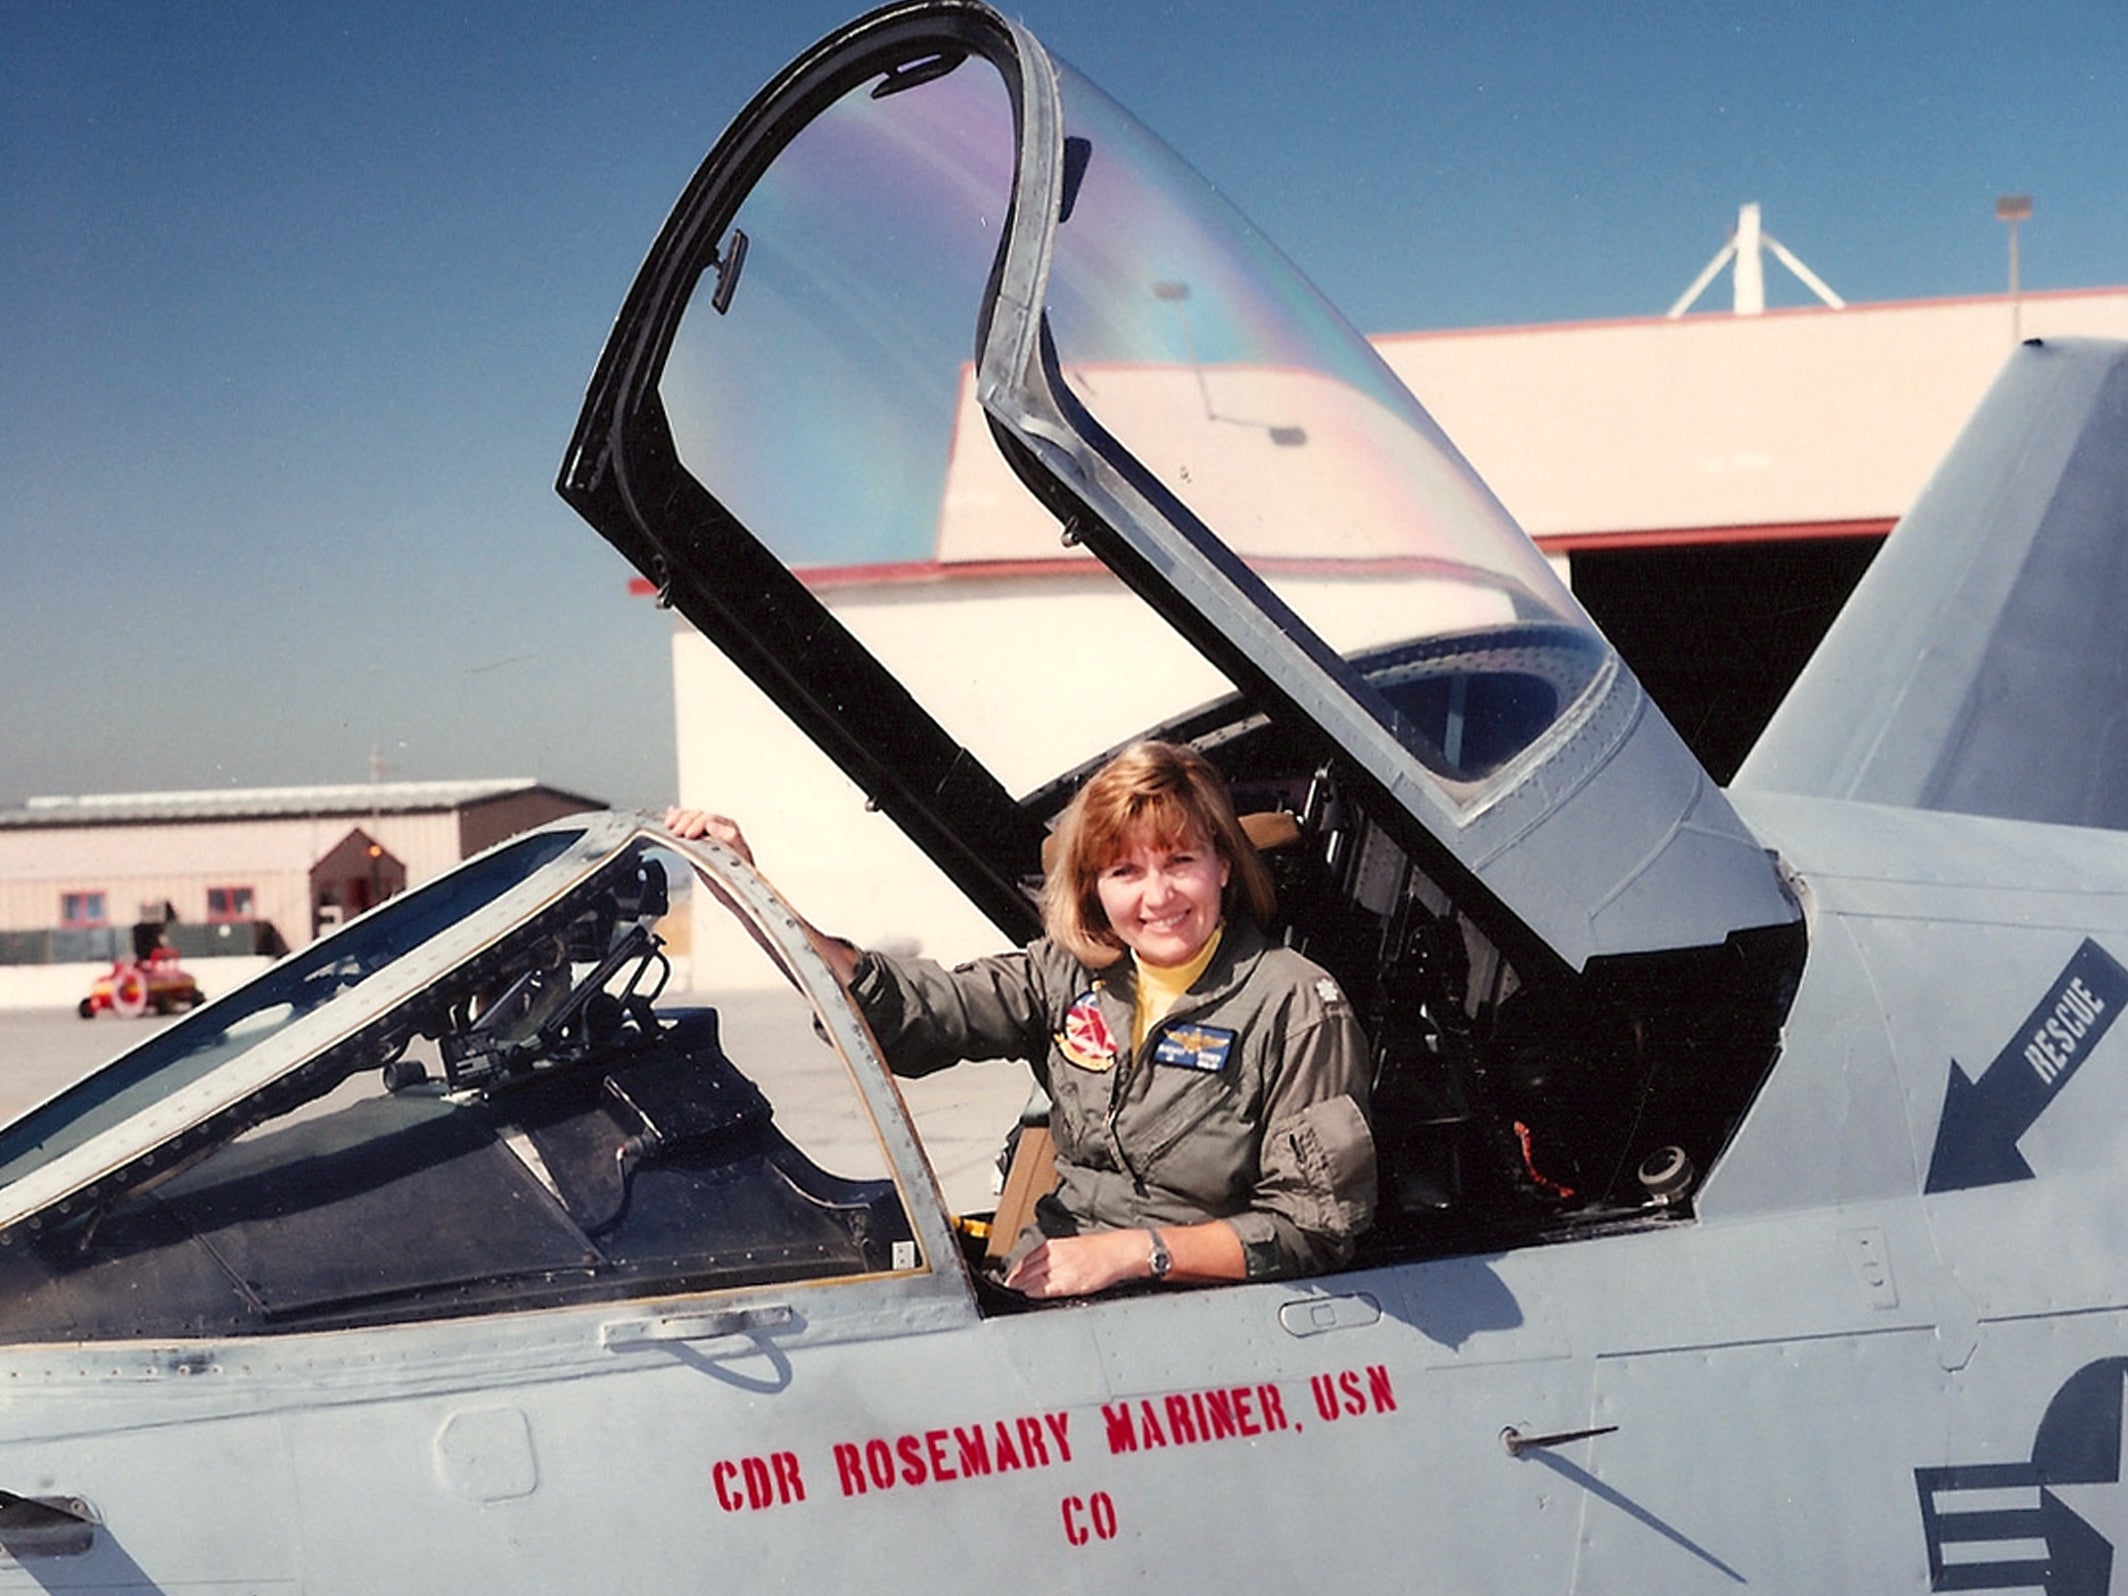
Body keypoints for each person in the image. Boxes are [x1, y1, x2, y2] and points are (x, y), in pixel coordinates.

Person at [667, 740, 1375, 1299]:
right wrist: (752, 894)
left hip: (1198, 1313)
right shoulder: (1068, 973)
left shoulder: (1296, 1003)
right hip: (1053, 1282)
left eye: (1180, 862)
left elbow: (1313, 1226)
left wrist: (1131, 1255)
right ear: (1095, 888)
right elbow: (913, 1013)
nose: (1157, 897)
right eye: (1126, 872)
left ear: (1223, 865)